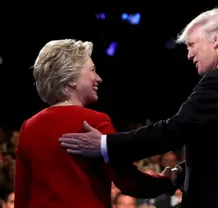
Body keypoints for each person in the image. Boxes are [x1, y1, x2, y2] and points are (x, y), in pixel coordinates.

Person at [59, 8, 218, 208]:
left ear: (216, 39)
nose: (189, 54)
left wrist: (105, 144)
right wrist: (186, 173)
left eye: (191, 45)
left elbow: (174, 130)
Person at [15, 39, 177, 208]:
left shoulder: (29, 127)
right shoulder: (94, 122)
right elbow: (129, 182)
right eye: (92, 70)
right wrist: (165, 182)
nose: (98, 78)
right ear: (71, 79)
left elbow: (22, 196)